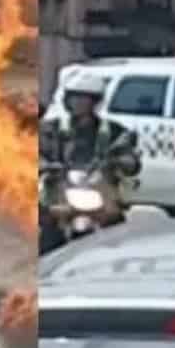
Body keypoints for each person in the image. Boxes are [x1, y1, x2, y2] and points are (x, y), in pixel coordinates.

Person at [38, 73, 142, 254]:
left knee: (116, 226)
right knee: (48, 227)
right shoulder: (51, 129)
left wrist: (124, 161)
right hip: (59, 192)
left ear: (95, 101)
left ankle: (117, 262)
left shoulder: (113, 131)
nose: (77, 103)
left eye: (83, 98)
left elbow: (128, 154)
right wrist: (43, 164)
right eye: (74, 97)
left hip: (99, 190)